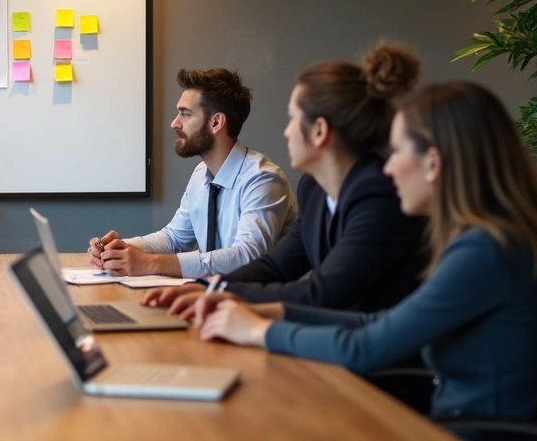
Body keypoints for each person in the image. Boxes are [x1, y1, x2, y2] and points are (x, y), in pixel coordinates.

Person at [197, 82, 537, 420]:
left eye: (398, 152)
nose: (388, 168)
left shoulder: (483, 250)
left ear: (432, 163)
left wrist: (258, 331)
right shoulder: (485, 240)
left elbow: (364, 348)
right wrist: (274, 313)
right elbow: (378, 322)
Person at [144, 44, 428, 317]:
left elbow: (323, 293)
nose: (286, 133)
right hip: (334, 341)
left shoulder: (380, 195)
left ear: (319, 131)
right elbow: (275, 267)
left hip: (377, 358)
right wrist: (205, 288)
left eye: (292, 119)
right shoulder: (314, 189)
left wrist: (215, 296)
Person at [87, 68, 297, 277]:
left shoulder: (263, 179)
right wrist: (118, 248)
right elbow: (174, 238)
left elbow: (248, 256)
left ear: (216, 122)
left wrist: (150, 263)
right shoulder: (201, 174)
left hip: (257, 305)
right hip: (208, 299)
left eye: (185, 114)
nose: (174, 123)